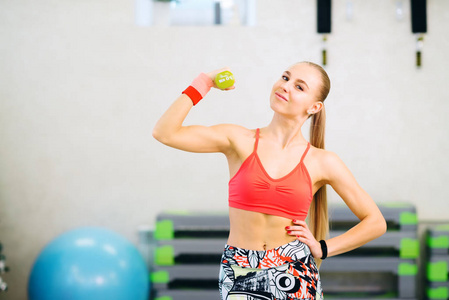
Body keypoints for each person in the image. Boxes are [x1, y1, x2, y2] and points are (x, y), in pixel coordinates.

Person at [152, 62, 387, 300]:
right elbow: (165, 132)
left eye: (299, 86)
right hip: (239, 270)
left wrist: (322, 248)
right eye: (285, 78)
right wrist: (204, 82)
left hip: (295, 269)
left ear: (314, 107)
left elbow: (376, 222)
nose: (285, 86)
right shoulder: (238, 140)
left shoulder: (322, 161)